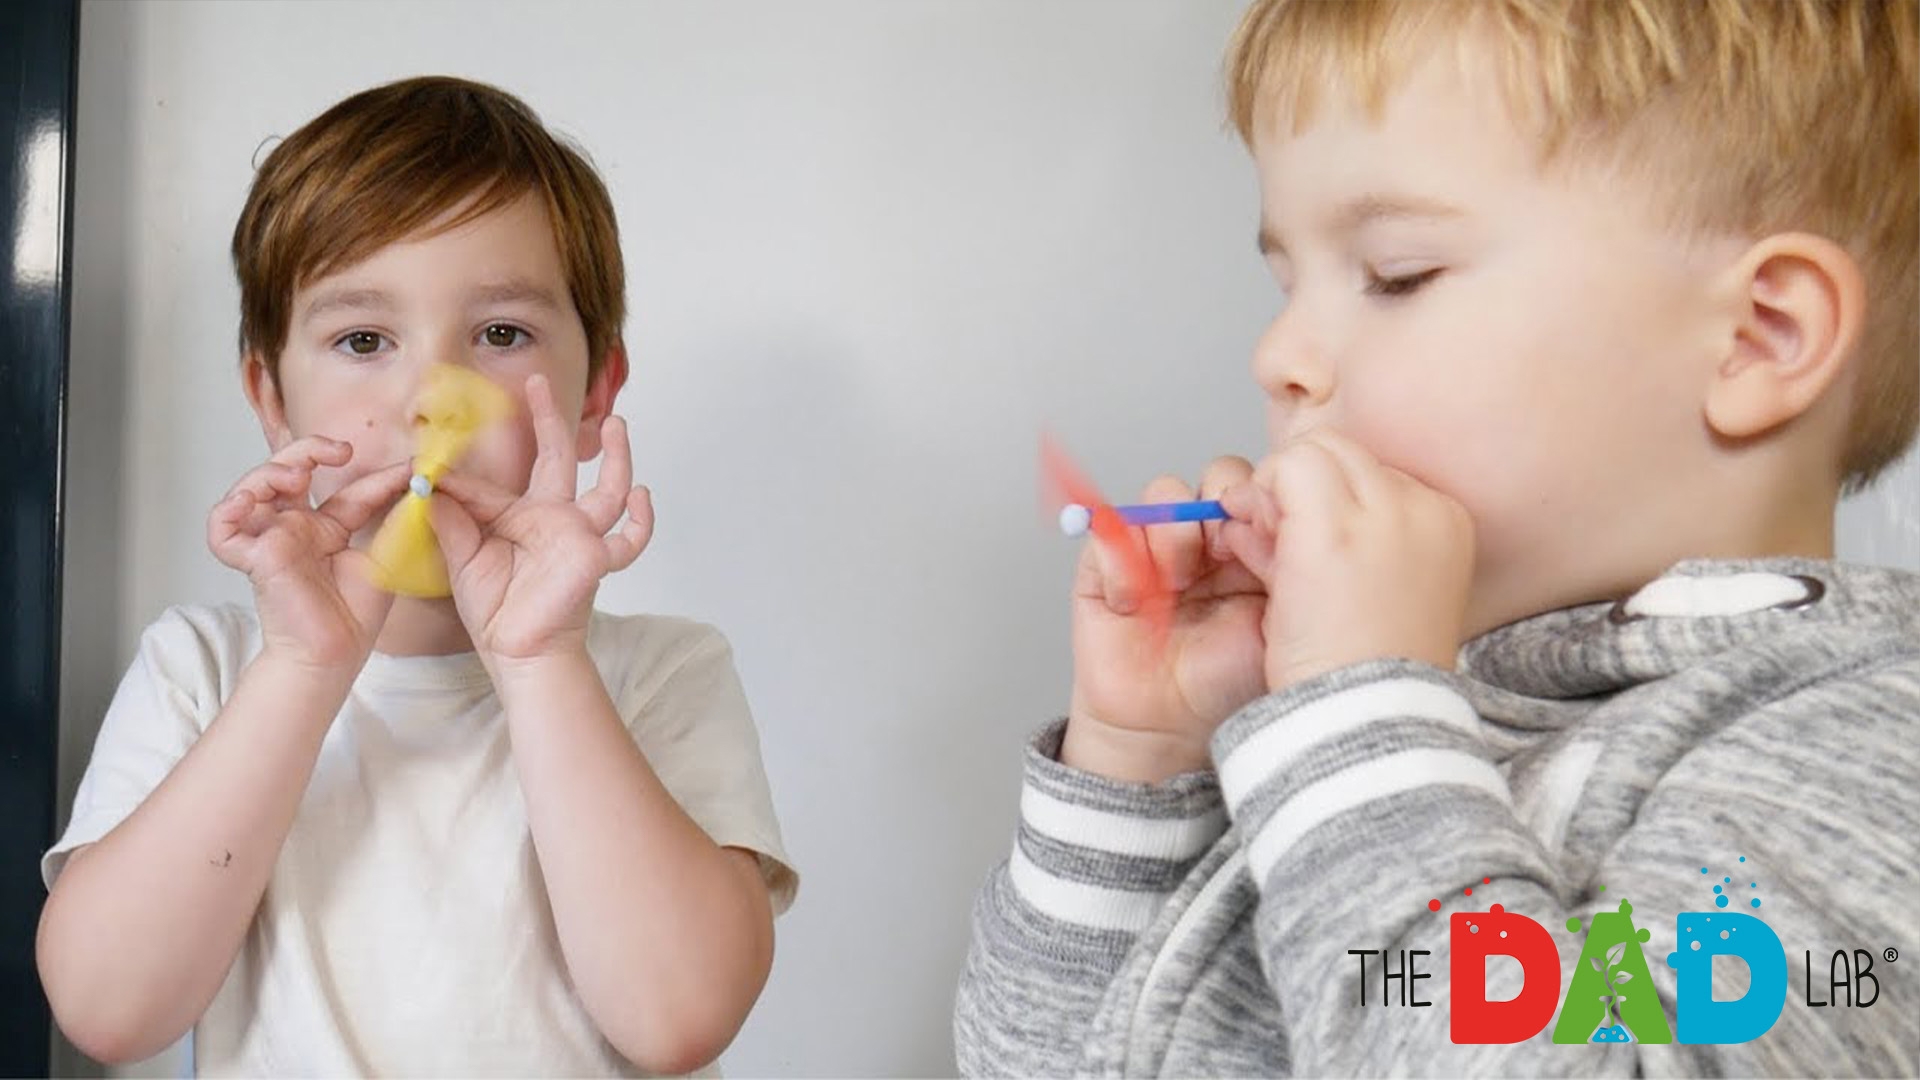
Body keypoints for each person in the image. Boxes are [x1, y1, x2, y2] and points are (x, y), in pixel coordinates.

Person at [956, 1, 1920, 1074]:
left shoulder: (1867, 744)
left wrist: (1359, 713)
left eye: (1397, 274)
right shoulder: (1382, 736)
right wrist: (1140, 773)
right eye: (1287, 285)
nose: (1279, 354)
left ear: (1758, 337)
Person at [38, 75, 795, 1077]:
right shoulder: (203, 670)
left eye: (500, 335)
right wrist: (302, 671)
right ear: (271, 395)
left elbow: (679, 1021)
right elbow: (107, 1010)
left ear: (591, 393)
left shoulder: (664, 674)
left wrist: (540, 664)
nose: (432, 400)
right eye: (363, 341)